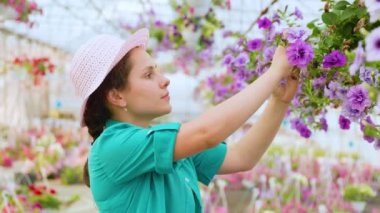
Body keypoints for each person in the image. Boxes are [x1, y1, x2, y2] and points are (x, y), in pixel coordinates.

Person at [69, 28, 298, 213]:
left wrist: (279, 102)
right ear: (116, 96)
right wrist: (274, 73)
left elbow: (242, 157)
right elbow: (206, 133)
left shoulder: (166, 145)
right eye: (148, 75)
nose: (165, 80)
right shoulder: (112, 147)